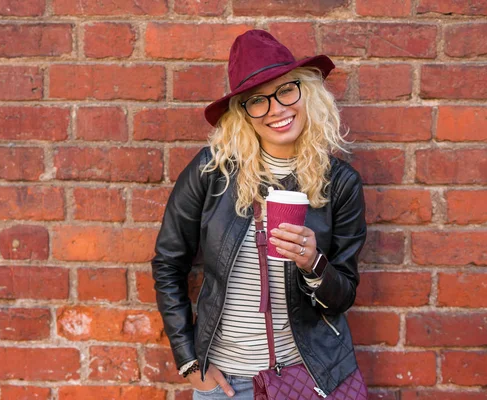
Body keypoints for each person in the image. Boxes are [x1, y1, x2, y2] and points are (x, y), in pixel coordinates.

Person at [152, 30, 366, 399]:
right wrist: (189, 361)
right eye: (257, 101)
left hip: (309, 377)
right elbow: (169, 263)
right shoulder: (211, 171)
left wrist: (313, 263)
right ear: (244, 114)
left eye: (286, 90)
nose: (276, 110)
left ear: (306, 92)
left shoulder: (340, 184)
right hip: (226, 384)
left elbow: (343, 296)